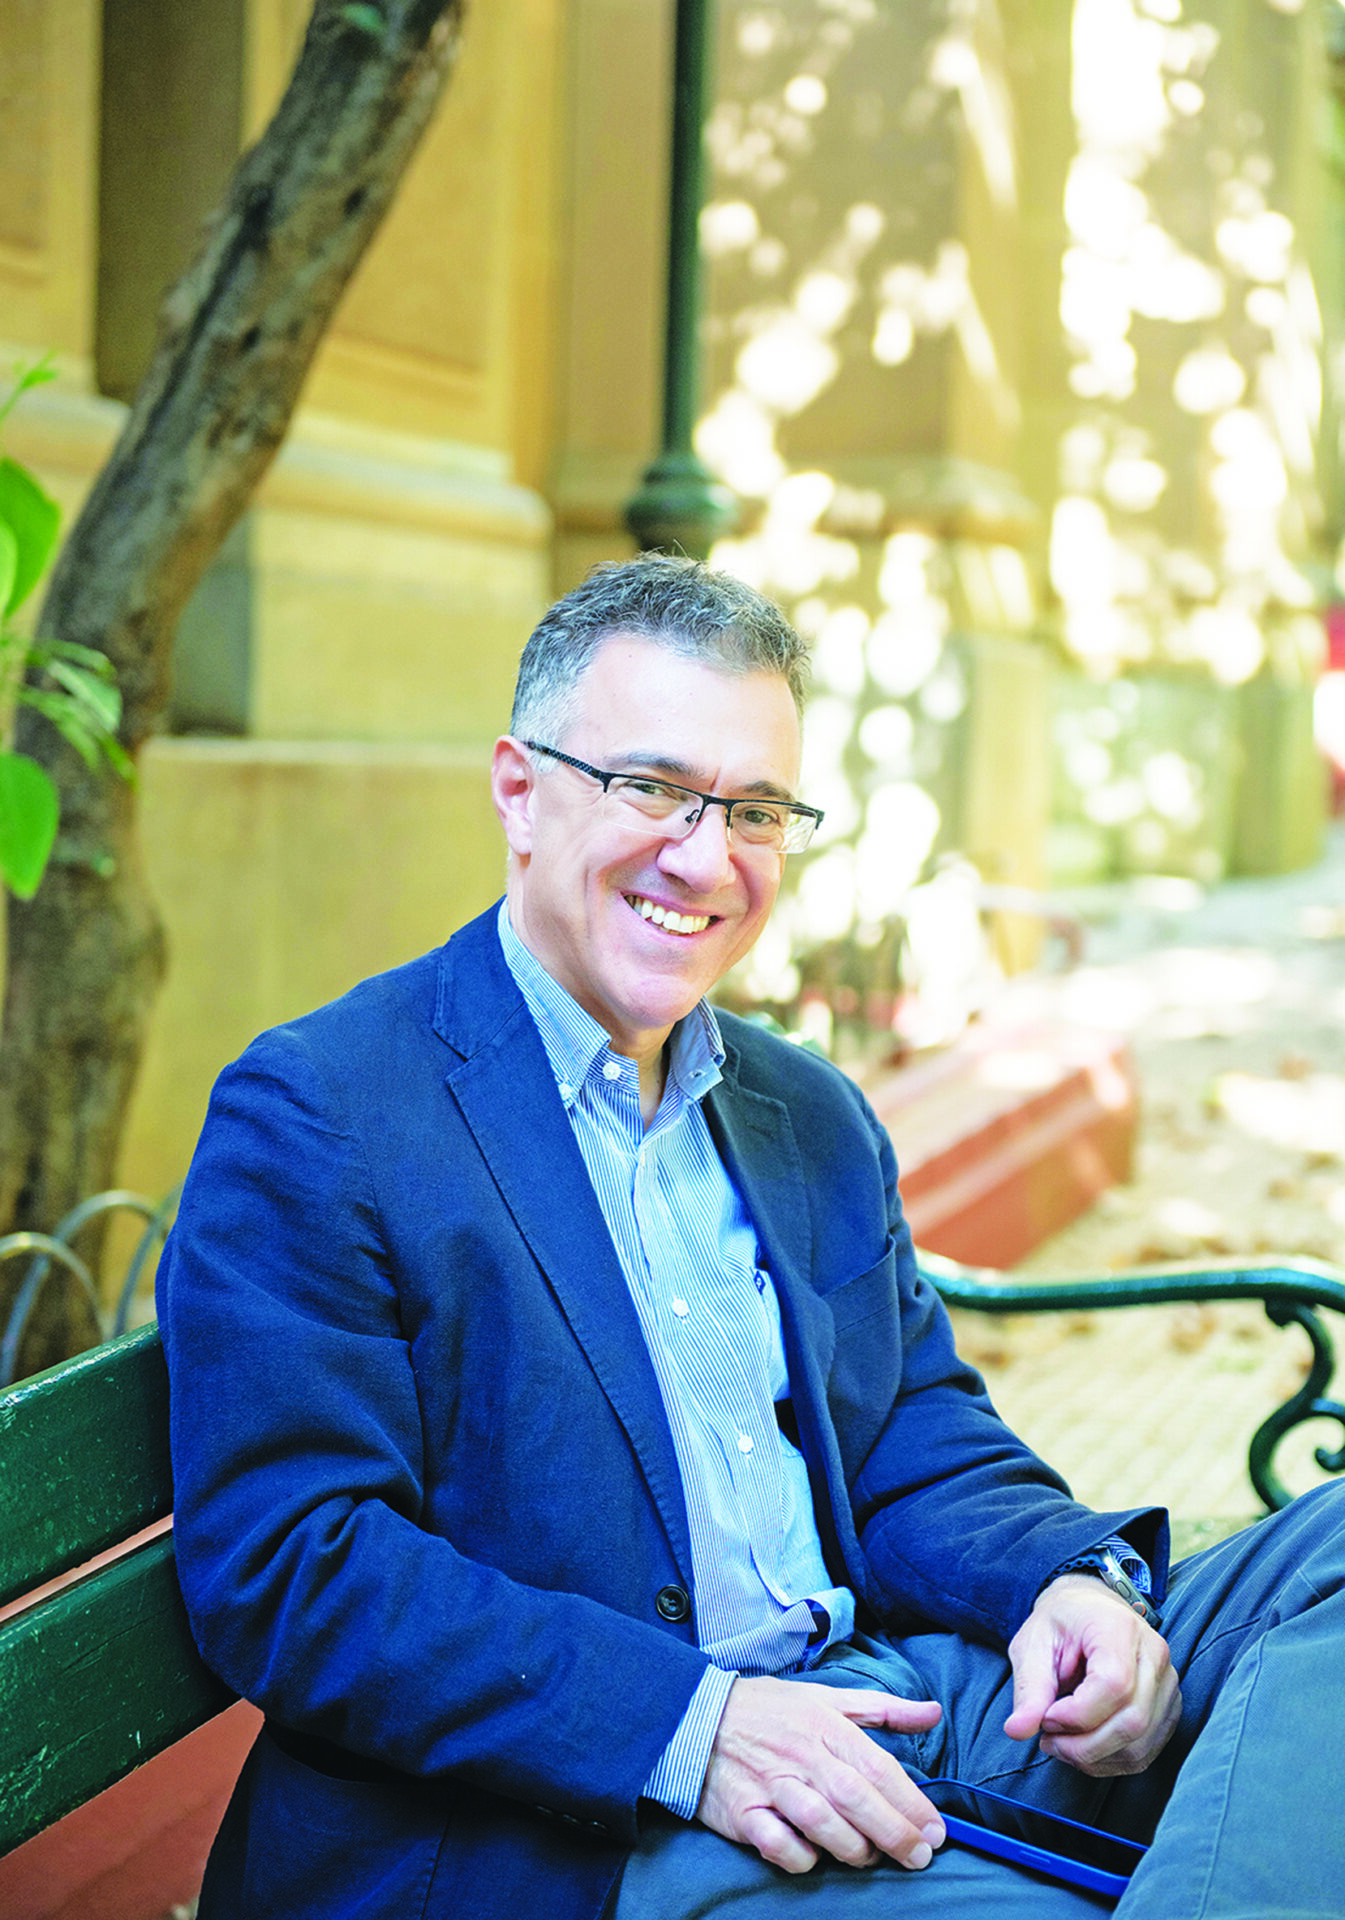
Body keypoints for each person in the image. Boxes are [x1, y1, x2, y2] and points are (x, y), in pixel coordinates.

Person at [159, 555, 1345, 1920]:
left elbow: (910, 1431)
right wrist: (694, 1727)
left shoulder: (803, 1111)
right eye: (651, 788)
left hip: (896, 1708)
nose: (704, 856)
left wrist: (1066, 1580)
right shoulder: (324, 1112)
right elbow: (291, 1565)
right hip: (576, 1815)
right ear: (519, 791)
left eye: (756, 811)